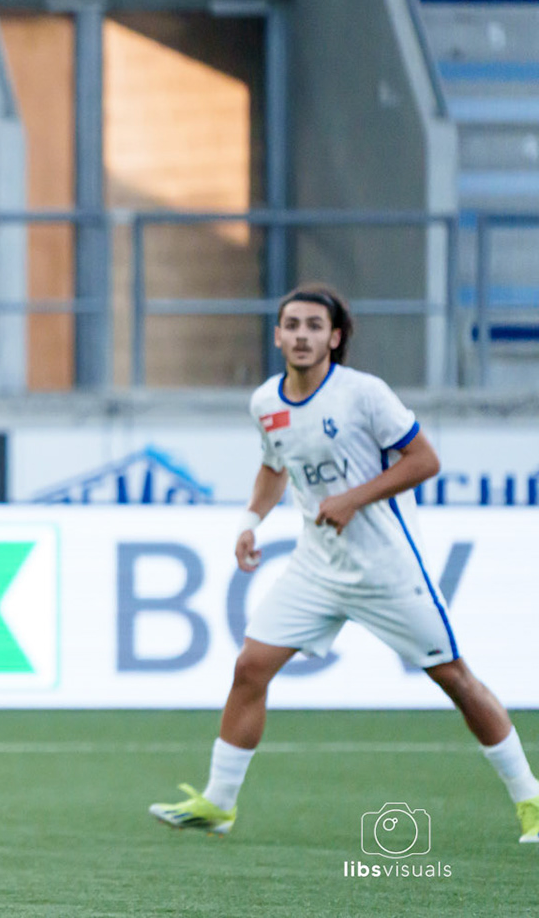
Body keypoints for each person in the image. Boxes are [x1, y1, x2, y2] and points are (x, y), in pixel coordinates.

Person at [149, 285, 539, 842]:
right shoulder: (266, 402)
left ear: (334, 337)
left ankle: (531, 799)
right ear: (278, 335)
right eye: (292, 324)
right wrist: (249, 521)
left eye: (314, 326)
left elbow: (425, 460)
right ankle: (219, 803)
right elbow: (272, 467)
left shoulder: (364, 395)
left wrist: (355, 498)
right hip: (316, 566)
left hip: (386, 569)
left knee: (454, 677)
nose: (302, 335)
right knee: (250, 668)